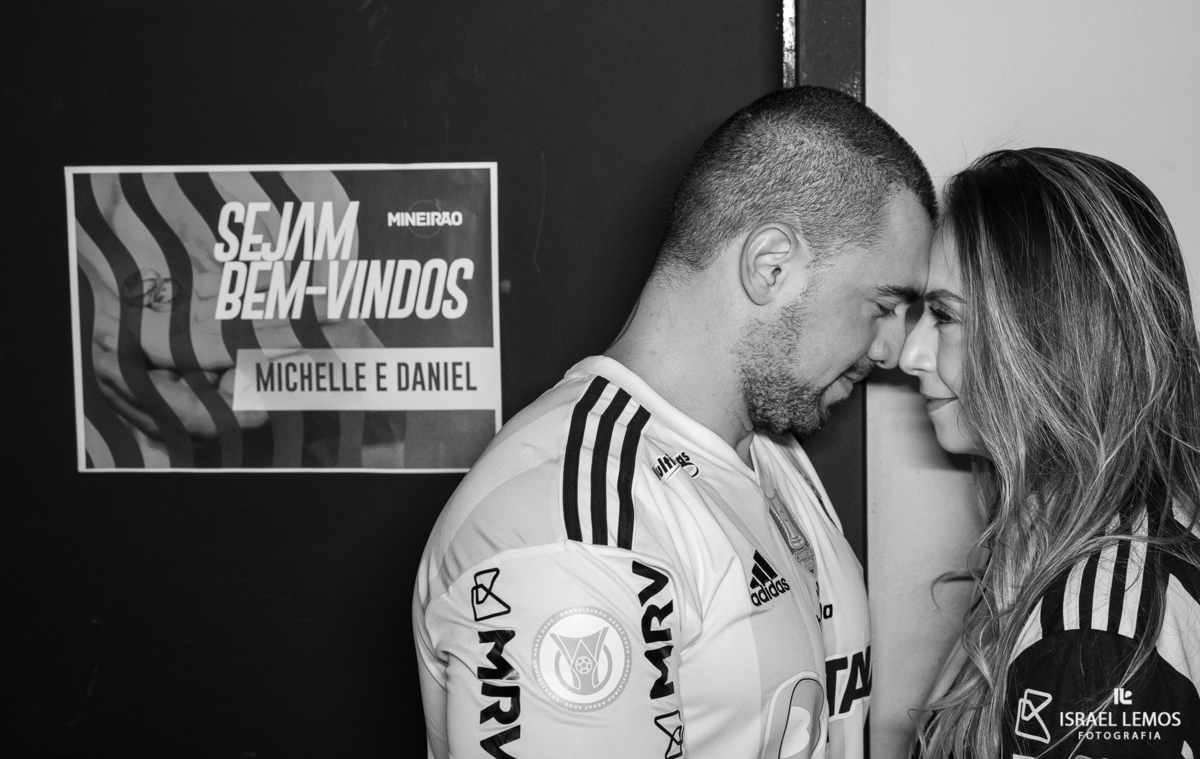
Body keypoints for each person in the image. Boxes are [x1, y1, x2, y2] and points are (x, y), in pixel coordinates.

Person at [413, 86, 936, 759]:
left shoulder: (771, 453)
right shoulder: (569, 531)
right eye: (884, 303)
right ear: (770, 266)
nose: (893, 349)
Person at [901, 147, 1200, 758]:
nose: (912, 356)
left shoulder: (1096, 641)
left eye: (945, 317)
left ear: (1046, 338)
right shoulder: (1082, 542)